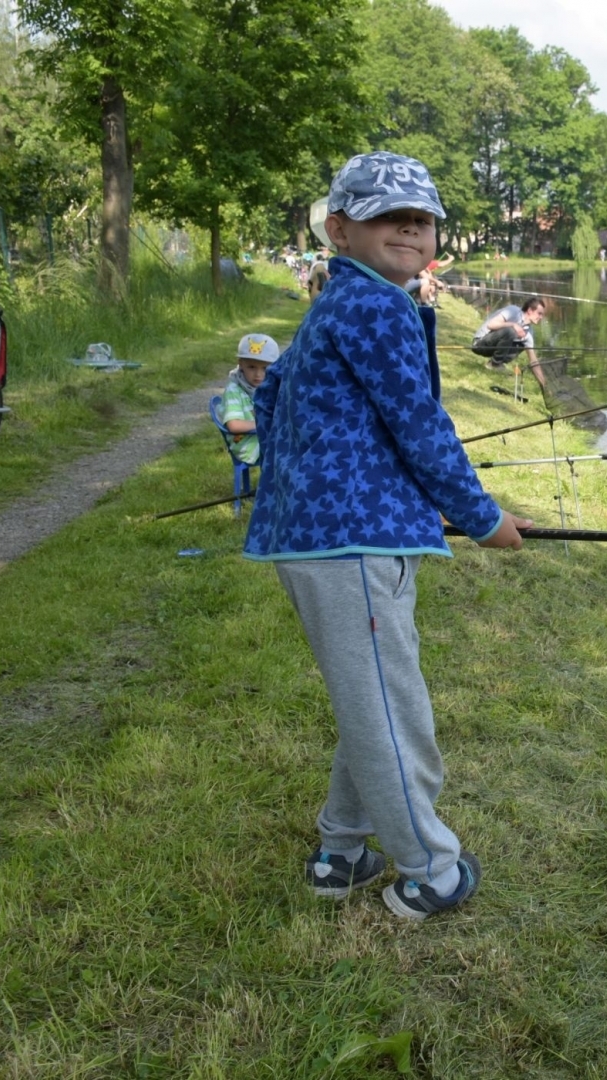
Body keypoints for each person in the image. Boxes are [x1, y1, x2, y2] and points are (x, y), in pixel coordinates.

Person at [245, 150, 532, 920]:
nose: (409, 227)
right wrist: (480, 517)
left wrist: (381, 497)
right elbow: (422, 429)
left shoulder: (336, 304)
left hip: (332, 538)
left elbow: (271, 404)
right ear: (340, 229)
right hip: (351, 549)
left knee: (368, 697)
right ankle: (427, 872)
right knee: (392, 709)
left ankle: (342, 853)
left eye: (422, 217)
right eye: (386, 215)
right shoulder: (377, 307)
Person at [220, 332, 278, 465]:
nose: (258, 374)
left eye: (265, 368)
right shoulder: (234, 391)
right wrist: (266, 424)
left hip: (261, 438)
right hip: (248, 444)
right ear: (241, 364)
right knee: (288, 453)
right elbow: (234, 425)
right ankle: (276, 484)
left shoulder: (269, 386)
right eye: (252, 367)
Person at [470, 296, 547, 383]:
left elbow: (533, 360)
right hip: (480, 343)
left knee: (523, 343)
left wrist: (544, 384)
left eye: (542, 315)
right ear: (530, 310)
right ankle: (495, 364)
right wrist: (513, 325)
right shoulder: (513, 311)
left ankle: (495, 363)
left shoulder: (529, 332)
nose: (541, 317)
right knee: (511, 331)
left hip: (491, 348)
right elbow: (491, 325)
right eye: (539, 313)